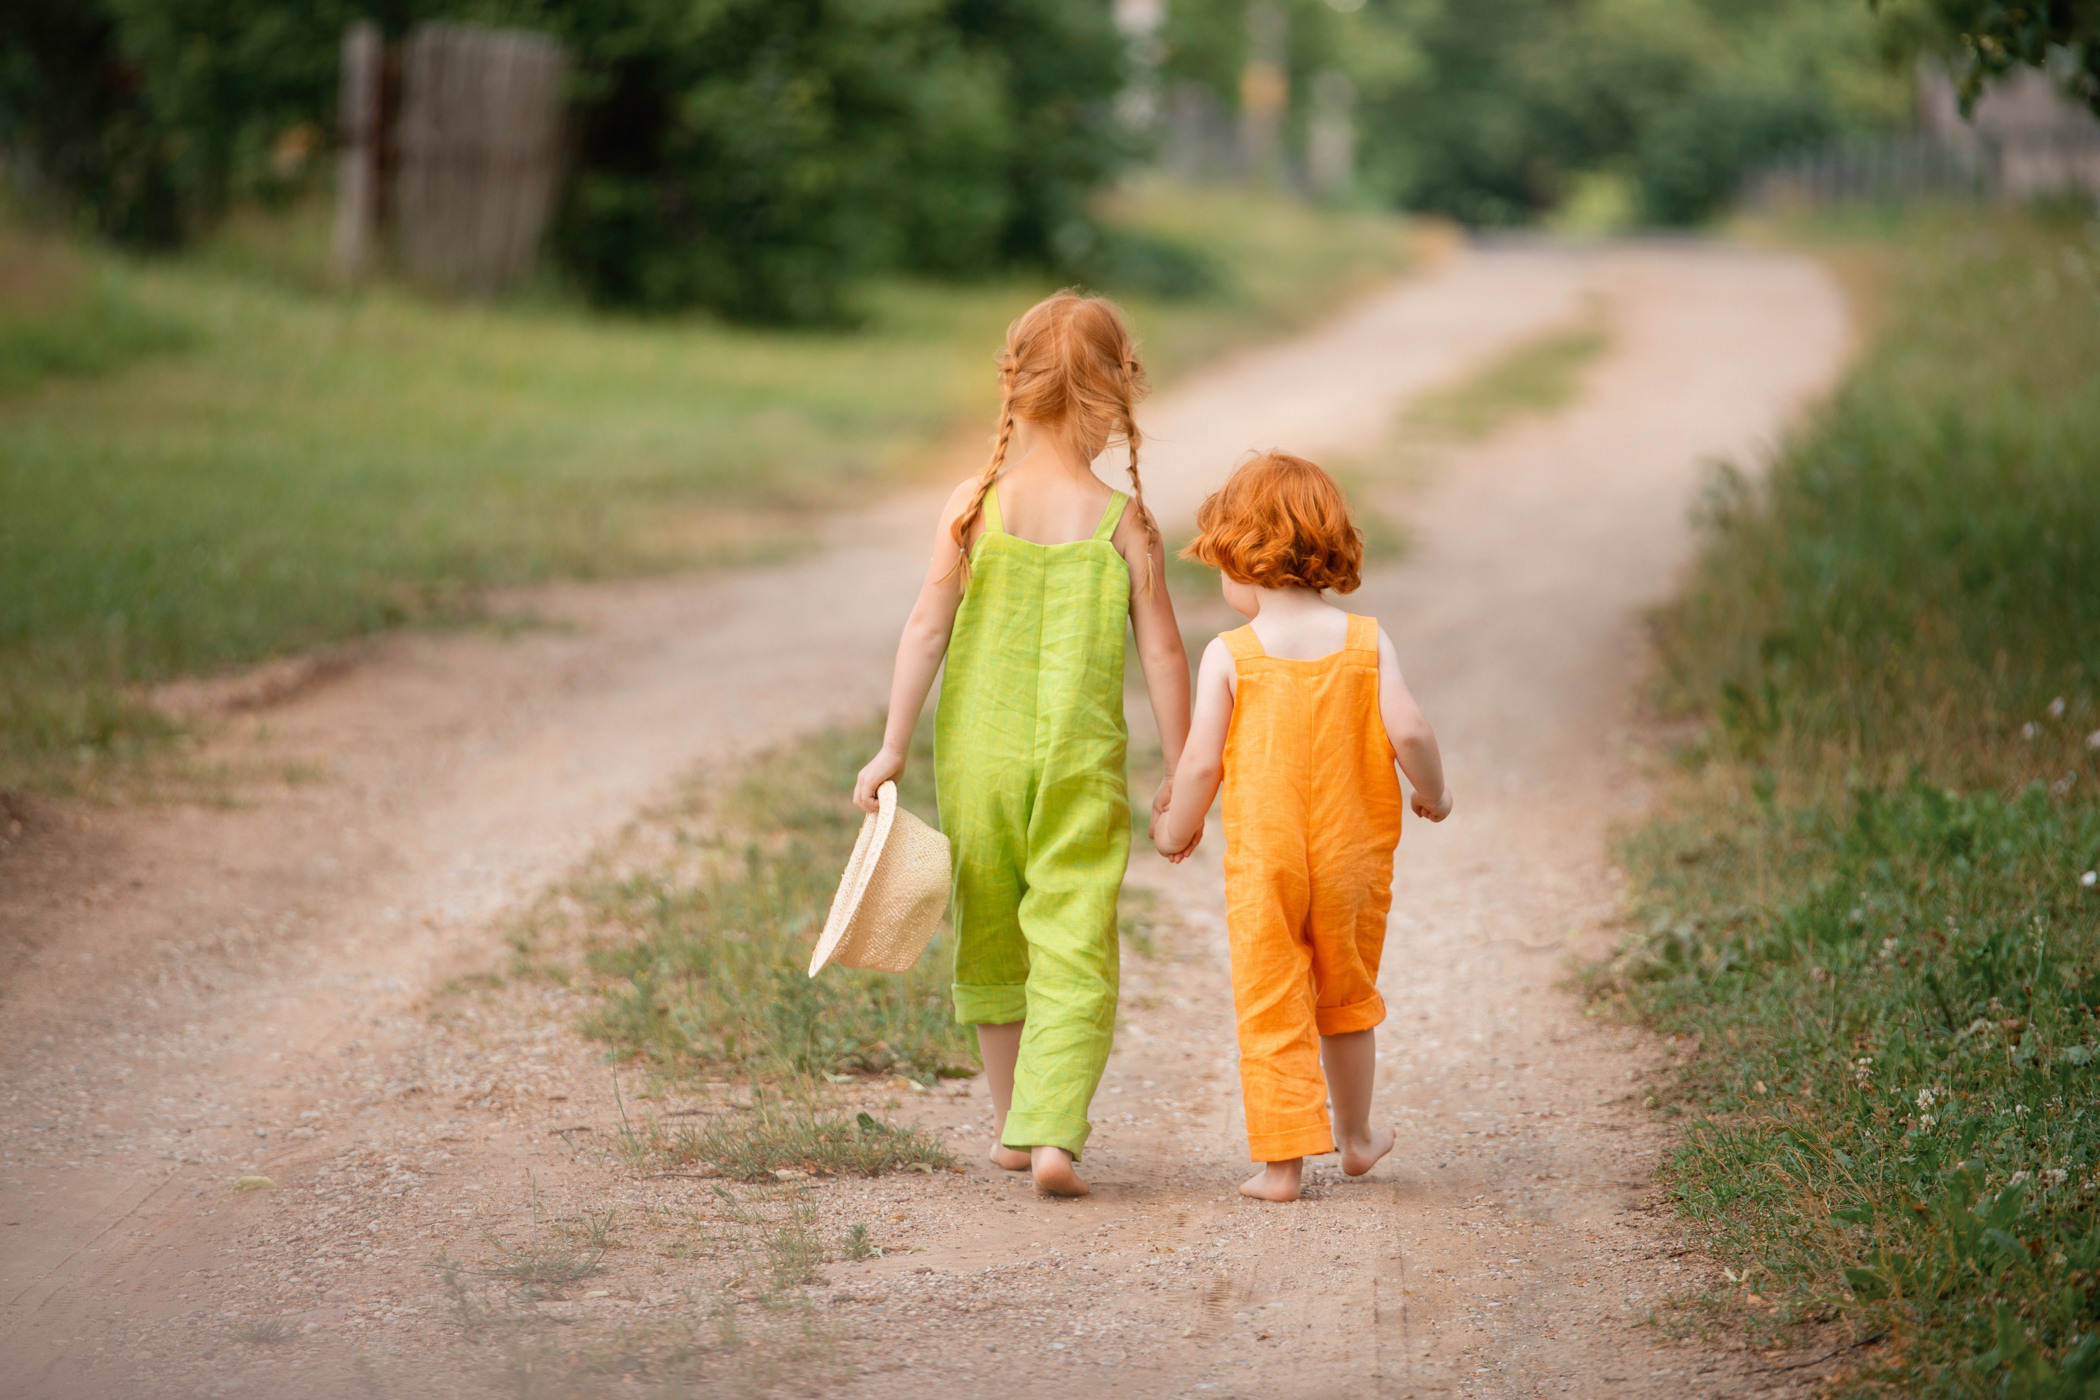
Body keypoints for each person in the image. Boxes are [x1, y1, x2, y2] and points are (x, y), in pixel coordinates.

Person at [854, 291, 1190, 1197]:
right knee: (1075, 941)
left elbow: (926, 629)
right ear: (1122, 390)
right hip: (1080, 766)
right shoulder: (1126, 522)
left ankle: (1012, 1127)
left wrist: (891, 747)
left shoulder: (975, 504)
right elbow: (1162, 651)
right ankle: (1052, 1139)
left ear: (1015, 383)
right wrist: (1186, 769)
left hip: (979, 763)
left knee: (994, 936)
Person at [1153, 451, 1451, 1203]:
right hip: (1354, 861)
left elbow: (1198, 766)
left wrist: (1173, 831)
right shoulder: (1365, 641)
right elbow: (1411, 731)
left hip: (1266, 866)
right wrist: (1434, 795)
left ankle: (1282, 1167)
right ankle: (1355, 1140)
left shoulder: (1232, 655)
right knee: (1345, 997)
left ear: (1240, 557)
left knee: (1271, 997)